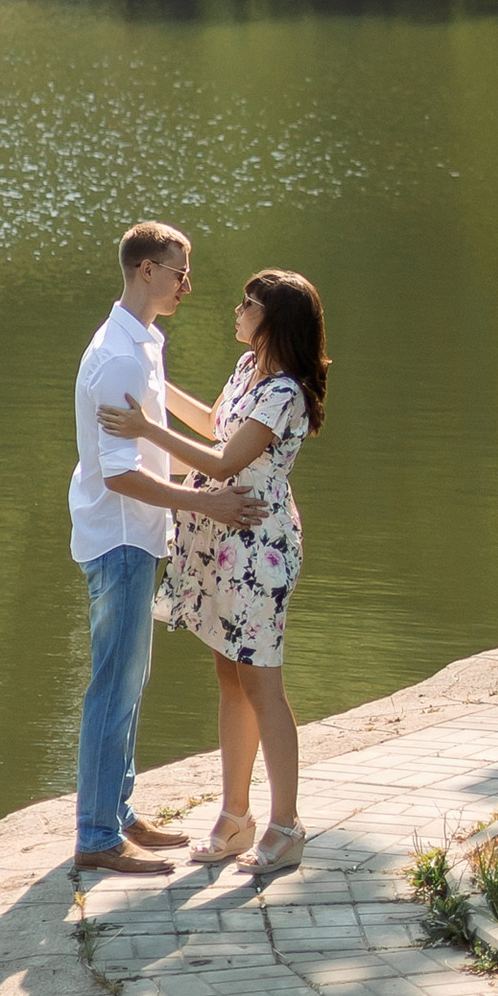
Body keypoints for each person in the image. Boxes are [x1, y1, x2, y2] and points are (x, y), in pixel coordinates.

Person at [111, 267, 327, 882]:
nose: (237, 309)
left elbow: (225, 458)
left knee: (264, 688)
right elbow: (213, 423)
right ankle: (236, 818)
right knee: (230, 679)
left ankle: (286, 828)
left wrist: (146, 428)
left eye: (248, 304)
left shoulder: (284, 392)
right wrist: (157, 387)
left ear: (273, 320)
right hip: (219, 544)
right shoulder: (248, 371)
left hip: (257, 550)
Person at [68, 223, 259, 879]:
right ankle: (95, 834)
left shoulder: (141, 340)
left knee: (129, 680)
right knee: (112, 687)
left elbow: (150, 440)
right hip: (119, 533)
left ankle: (116, 815)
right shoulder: (120, 357)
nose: (187, 284)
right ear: (146, 270)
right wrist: (206, 502)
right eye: (180, 271)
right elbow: (119, 473)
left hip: (136, 530)